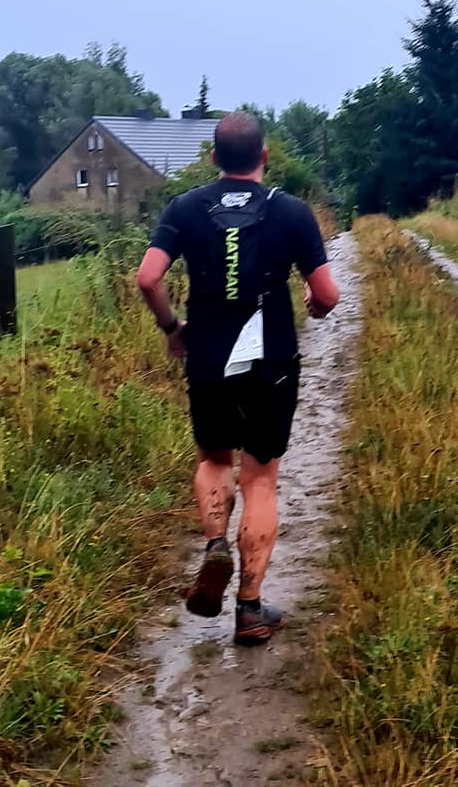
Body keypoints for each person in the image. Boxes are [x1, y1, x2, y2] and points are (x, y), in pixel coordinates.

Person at [136, 111, 339, 645]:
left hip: (206, 354)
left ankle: (214, 546)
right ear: (264, 157)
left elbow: (148, 277)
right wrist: (313, 311)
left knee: (213, 459)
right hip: (270, 363)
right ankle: (249, 610)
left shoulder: (185, 207)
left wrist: (172, 327)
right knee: (260, 478)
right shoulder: (291, 212)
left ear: (213, 158)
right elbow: (328, 296)